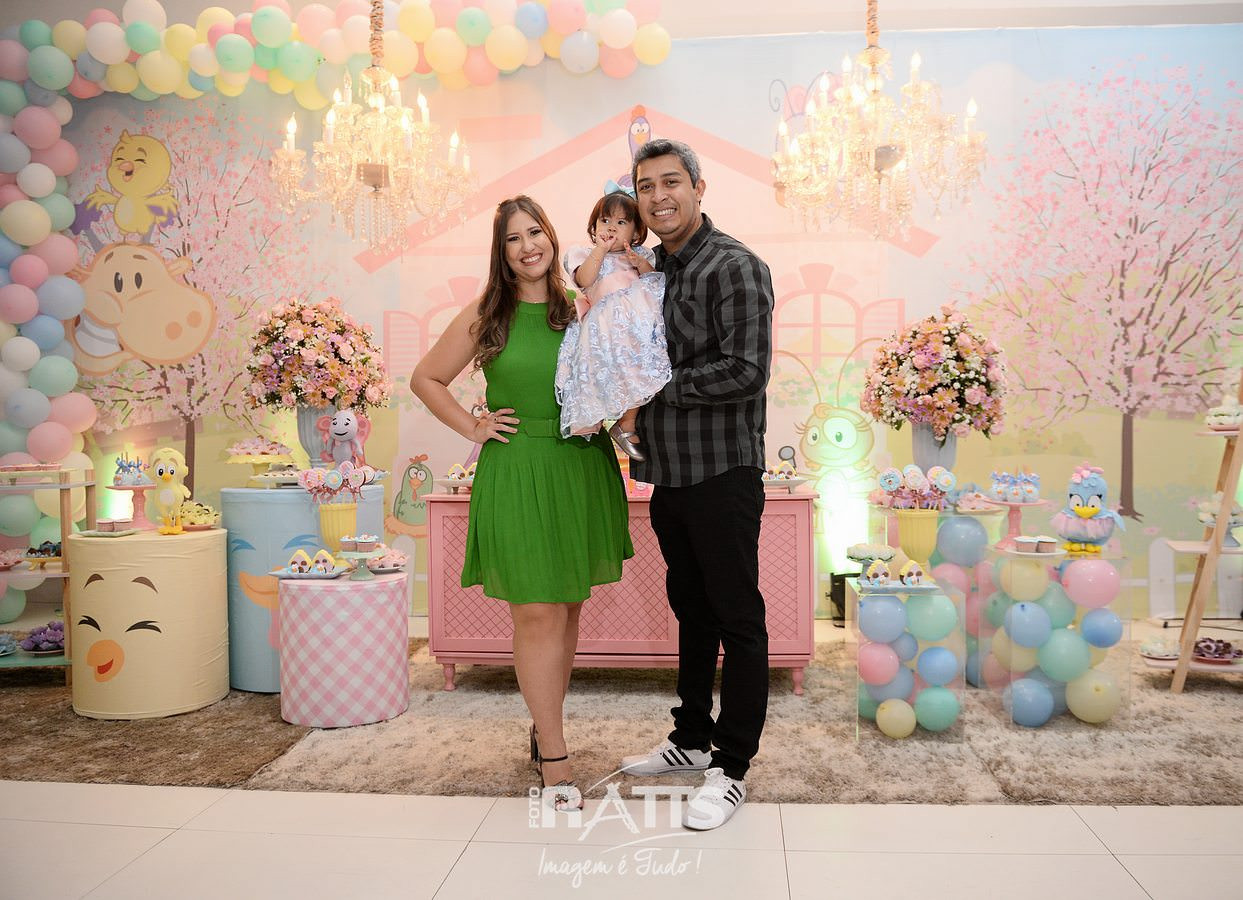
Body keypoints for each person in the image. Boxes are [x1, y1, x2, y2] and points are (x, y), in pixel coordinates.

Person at [411, 195, 633, 812]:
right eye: (513, 239)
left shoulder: (582, 304)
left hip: (579, 466)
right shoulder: (489, 313)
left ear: (553, 238)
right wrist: (473, 425)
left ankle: (545, 729)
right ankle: (556, 759)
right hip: (517, 467)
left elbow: (618, 371)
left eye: (535, 233)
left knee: (565, 609)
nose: (527, 246)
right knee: (536, 612)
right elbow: (426, 378)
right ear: (501, 252)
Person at [617, 139, 774, 831]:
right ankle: (690, 739)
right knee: (691, 611)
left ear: (699, 188)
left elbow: (747, 370)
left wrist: (653, 387)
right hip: (671, 472)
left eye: (671, 182)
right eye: (645, 186)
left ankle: (731, 766)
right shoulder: (656, 270)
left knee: (737, 618)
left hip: (723, 471)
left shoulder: (734, 265)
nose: (658, 197)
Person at [555, 190, 671, 459]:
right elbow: (585, 280)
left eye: (621, 222)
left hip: (635, 331)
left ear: (636, 231)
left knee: (642, 371)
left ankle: (627, 422)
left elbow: (654, 283)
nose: (611, 228)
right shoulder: (584, 254)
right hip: (603, 329)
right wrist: (601, 250)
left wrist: (640, 264)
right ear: (594, 227)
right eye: (605, 221)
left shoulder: (641, 255)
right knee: (594, 374)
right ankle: (593, 420)